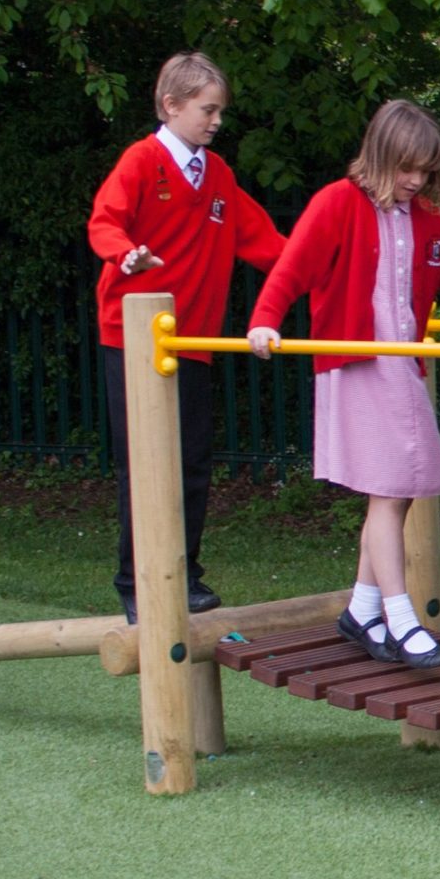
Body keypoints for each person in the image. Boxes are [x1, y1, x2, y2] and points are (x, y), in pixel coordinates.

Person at [246, 99, 440, 670]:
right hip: (359, 365)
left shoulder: (425, 220)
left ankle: (363, 609)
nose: (415, 180)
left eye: (425, 171)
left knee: (400, 490)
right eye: (406, 168)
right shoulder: (337, 203)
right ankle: (400, 617)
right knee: (391, 491)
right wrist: (265, 319)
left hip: (401, 366)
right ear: (379, 157)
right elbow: (292, 267)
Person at [86, 51, 287, 621]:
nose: (216, 121)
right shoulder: (141, 161)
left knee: (193, 461)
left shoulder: (217, 174)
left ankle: (185, 574)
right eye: (207, 110)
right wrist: (126, 255)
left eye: (220, 111)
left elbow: (266, 243)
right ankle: (136, 581)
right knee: (143, 462)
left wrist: (324, 268)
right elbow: (104, 221)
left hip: (192, 340)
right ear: (171, 105)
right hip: (131, 337)